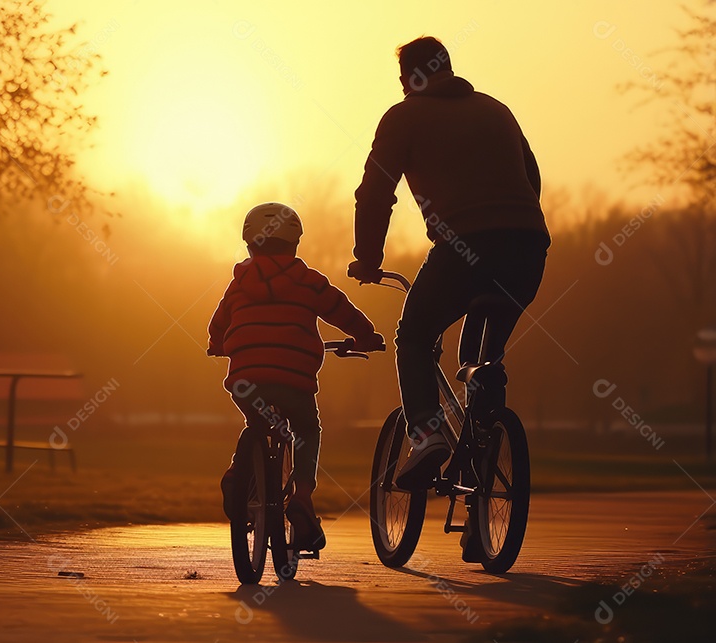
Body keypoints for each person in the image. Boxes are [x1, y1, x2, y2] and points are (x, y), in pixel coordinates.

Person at [349, 37, 551, 491]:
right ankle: (484, 476)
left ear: (407, 79)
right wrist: (511, 224)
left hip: (463, 249)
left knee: (415, 337)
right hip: (527, 248)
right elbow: (531, 177)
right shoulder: (497, 110)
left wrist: (368, 258)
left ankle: (426, 435)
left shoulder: (403, 117)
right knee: (483, 359)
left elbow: (375, 193)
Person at [208, 202, 384, 551]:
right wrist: (366, 337)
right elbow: (343, 311)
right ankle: (302, 497)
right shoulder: (309, 281)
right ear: (295, 243)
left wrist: (217, 345)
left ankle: (236, 473)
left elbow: (219, 323)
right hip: (293, 380)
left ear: (249, 244)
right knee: (305, 428)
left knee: (256, 420)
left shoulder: (239, 283)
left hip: (246, 378)